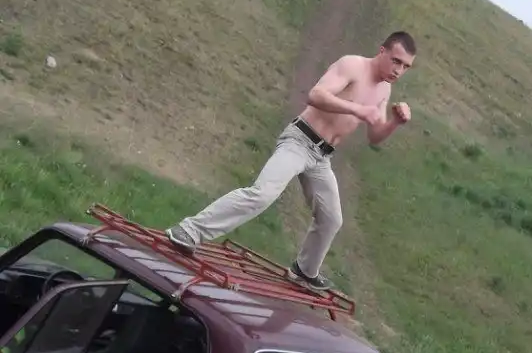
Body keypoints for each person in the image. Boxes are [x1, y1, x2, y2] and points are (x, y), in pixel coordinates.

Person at [165, 30, 416, 290]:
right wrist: (357, 109)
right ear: (382, 51)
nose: (398, 70)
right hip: (300, 140)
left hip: (321, 157)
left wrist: (395, 123)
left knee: (331, 219)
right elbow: (316, 95)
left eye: (406, 66)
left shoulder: (384, 89)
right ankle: (189, 230)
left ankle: (304, 271)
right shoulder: (353, 65)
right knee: (262, 194)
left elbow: (375, 135)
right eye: (396, 61)